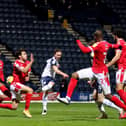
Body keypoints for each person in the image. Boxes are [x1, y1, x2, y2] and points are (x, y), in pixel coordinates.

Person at [57, 30, 126, 119]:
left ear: (96, 37)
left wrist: (78, 41)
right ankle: (67, 98)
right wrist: (122, 46)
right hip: (94, 70)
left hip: (102, 73)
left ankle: (123, 108)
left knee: (108, 95)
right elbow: (116, 46)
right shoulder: (106, 43)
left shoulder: (98, 45)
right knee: (75, 75)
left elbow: (84, 50)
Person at [0, 49, 34, 118]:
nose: (26, 55)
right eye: (24, 54)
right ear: (19, 56)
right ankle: (26, 110)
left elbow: (26, 77)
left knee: (14, 107)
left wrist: (28, 75)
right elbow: (24, 70)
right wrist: (31, 62)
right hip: (15, 84)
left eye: (26, 54)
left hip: (20, 85)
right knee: (30, 90)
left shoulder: (27, 63)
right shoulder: (17, 63)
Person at [40, 49, 69, 115]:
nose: (59, 56)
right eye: (58, 55)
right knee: (47, 90)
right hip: (45, 77)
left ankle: (44, 109)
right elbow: (55, 70)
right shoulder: (53, 60)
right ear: (54, 54)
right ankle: (44, 108)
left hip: (51, 77)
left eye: (60, 55)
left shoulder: (56, 61)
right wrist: (63, 74)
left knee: (49, 88)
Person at [107, 28, 126, 105]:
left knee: (119, 89)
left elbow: (117, 56)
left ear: (116, 36)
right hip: (124, 67)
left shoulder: (119, 43)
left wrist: (108, 65)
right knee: (124, 90)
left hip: (122, 68)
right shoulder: (124, 42)